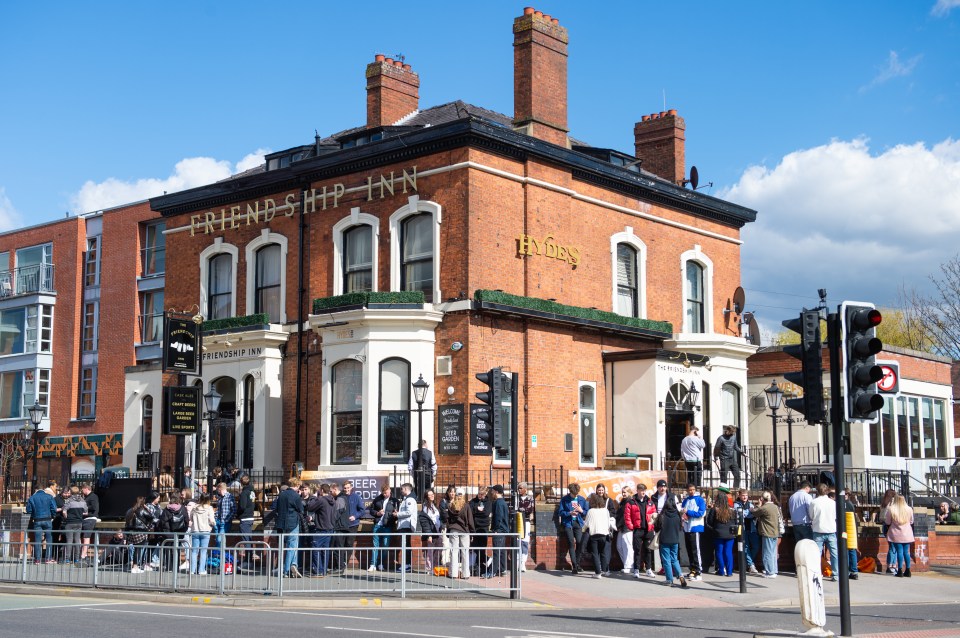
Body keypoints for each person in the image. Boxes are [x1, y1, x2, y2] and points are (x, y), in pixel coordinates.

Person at [274, 476, 305, 578]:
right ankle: (286, 570)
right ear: (296, 486)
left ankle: (293, 565)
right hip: (292, 523)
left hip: (281, 524)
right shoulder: (296, 496)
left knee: (287, 546)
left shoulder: (281, 495)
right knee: (292, 546)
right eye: (299, 486)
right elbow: (301, 510)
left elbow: (277, 508)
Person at [625, 483, 656, 578]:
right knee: (637, 550)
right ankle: (636, 570)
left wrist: (652, 525)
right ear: (637, 491)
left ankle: (648, 569)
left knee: (648, 550)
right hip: (637, 530)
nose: (643, 492)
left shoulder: (650, 502)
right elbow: (627, 516)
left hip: (648, 530)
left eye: (644, 490)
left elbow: (654, 514)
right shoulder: (631, 502)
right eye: (641, 490)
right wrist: (631, 527)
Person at [808, 483, 838, 581]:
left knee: (816, 553)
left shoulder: (814, 502)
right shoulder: (832, 502)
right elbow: (835, 516)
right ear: (827, 491)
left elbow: (811, 516)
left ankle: (817, 573)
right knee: (834, 553)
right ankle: (836, 574)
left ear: (817, 491)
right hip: (831, 529)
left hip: (818, 529)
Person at [655, 494, 686, 588]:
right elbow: (680, 528)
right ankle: (680, 575)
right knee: (674, 559)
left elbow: (656, 528)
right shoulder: (677, 516)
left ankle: (669, 579)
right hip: (675, 540)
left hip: (664, 540)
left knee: (666, 560)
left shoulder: (662, 515)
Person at [558, 483, 588, 575]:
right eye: (573, 494)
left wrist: (581, 510)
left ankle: (577, 563)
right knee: (571, 543)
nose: (575, 495)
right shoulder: (565, 499)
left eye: (576, 493)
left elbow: (586, 512)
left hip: (578, 523)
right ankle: (574, 566)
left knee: (579, 542)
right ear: (570, 491)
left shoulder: (582, 499)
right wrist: (569, 513)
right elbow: (560, 512)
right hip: (568, 523)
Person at [25, 480, 58, 564]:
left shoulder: (32, 498)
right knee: (49, 539)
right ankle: (48, 559)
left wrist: (33, 516)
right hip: (47, 520)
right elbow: (54, 508)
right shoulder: (49, 496)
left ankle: (37, 560)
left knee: (37, 540)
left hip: (37, 521)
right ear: (43, 489)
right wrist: (53, 516)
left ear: (36, 489)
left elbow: (28, 510)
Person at [884, 494, 914, 577]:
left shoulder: (891, 509)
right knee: (906, 552)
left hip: (896, 533)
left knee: (899, 551)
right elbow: (911, 521)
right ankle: (908, 570)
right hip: (907, 533)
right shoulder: (909, 509)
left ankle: (900, 570)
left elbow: (887, 522)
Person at [583, 493, 612, 579]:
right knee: (603, 553)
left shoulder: (590, 511)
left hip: (594, 535)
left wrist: (583, 530)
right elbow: (608, 523)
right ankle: (606, 571)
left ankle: (598, 573)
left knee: (595, 554)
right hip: (604, 534)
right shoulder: (605, 511)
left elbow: (586, 524)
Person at [681, 483, 706, 581]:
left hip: (695, 527)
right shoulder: (686, 500)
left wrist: (688, 512)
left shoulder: (700, 500)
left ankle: (699, 571)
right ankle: (692, 570)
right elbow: (683, 510)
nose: (691, 491)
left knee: (696, 550)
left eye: (693, 489)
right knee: (689, 550)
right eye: (689, 490)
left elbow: (701, 513)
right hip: (687, 527)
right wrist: (683, 514)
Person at [707, 491, 736, 576]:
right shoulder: (732, 510)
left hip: (718, 533)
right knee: (728, 552)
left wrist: (714, 528)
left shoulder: (714, 510)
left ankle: (721, 571)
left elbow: (709, 522)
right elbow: (735, 522)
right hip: (730, 534)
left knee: (719, 552)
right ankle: (729, 571)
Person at [446, 491, 474, 579]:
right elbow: (470, 520)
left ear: (456, 495)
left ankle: (453, 574)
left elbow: (448, 520)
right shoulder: (466, 506)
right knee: (465, 552)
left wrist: (448, 530)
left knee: (454, 551)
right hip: (464, 530)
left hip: (454, 529)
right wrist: (472, 532)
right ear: (463, 496)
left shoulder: (451, 506)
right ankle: (465, 574)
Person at [753, 491, 781, 578]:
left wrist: (758, 504)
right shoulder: (775, 507)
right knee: (773, 553)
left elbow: (755, 512)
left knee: (767, 553)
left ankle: (770, 572)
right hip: (775, 532)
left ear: (762, 498)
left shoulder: (764, 508)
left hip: (767, 532)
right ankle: (774, 570)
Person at [369, 484, 396, 572]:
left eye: (386, 493)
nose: (385, 495)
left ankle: (381, 563)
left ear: (389, 490)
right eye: (383, 493)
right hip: (377, 525)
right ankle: (372, 564)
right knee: (375, 545)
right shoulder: (377, 499)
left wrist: (395, 515)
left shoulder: (394, 501)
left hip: (387, 525)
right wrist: (377, 513)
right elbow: (371, 510)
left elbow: (397, 513)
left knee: (385, 545)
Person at [189, 493, 216, 575]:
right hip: (205, 531)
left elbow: (191, 519)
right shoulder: (209, 508)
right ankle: (201, 570)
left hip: (195, 530)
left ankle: (192, 570)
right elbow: (212, 520)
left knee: (194, 551)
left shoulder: (194, 508)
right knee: (203, 551)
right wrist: (213, 524)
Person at [487, 484, 510, 578]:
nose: (491, 492)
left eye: (492, 491)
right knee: (502, 551)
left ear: (496, 492)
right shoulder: (503, 502)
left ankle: (492, 571)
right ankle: (503, 569)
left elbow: (499, 517)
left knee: (496, 551)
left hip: (499, 530)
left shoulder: (498, 503)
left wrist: (496, 529)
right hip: (502, 530)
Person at [734, 489, 759, 574]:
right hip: (742, 529)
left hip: (752, 529)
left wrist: (749, 513)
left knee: (756, 546)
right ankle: (751, 565)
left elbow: (754, 514)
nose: (745, 497)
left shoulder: (750, 504)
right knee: (745, 547)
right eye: (743, 495)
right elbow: (740, 514)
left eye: (746, 495)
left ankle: (748, 563)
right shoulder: (736, 504)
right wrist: (749, 512)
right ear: (739, 496)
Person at [395, 483, 418, 572]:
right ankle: (406, 564)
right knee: (405, 545)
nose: (400, 491)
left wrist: (397, 514)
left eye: (401, 489)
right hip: (404, 525)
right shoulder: (407, 499)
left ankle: (407, 565)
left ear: (406, 489)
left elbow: (409, 512)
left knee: (405, 545)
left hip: (406, 525)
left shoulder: (410, 499)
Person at [61, 486, 87, 564]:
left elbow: (64, 511)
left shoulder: (69, 501)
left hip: (70, 522)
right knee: (77, 541)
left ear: (71, 492)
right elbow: (86, 512)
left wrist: (66, 518)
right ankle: (77, 559)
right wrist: (79, 514)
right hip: (79, 522)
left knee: (69, 541)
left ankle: (67, 559)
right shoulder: (83, 501)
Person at [470, 487, 492, 575]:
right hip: (475, 527)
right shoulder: (473, 501)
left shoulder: (488, 502)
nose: (480, 496)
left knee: (482, 548)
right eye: (479, 494)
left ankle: (482, 567)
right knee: (474, 548)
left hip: (484, 528)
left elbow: (486, 513)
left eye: (482, 494)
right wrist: (477, 510)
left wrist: (479, 512)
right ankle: (476, 567)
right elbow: (471, 511)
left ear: (486, 494)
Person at [419, 488, 442, 571]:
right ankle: (429, 568)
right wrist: (429, 535)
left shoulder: (434, 506)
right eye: (429, 495)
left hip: (437, 531)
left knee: (438, 550)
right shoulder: (425, 507)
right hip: (431, 532)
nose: (432, 496)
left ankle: (435, 567)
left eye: (432, 494)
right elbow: (425, 522)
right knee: (430, 551)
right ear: (426, 496)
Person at [236, 475, 256, 566]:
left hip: (245, 517)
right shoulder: (252, 491)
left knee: (246, 540)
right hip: (250, 516)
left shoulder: (244, 493)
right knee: (249, 539)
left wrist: (238, 513)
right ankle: (249, 559)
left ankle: (247, 561)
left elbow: (242, 506)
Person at [878, 489, 898, 574]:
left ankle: (891, 565)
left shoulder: (883, 503)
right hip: (891, 525)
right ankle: (891, 566)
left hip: (885, 526)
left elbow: (881, 517)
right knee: (893, 547)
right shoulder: (891, 504)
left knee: (892, 546)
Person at [517, 483, 535, 572]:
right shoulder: (516, 498)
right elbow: (513, 509)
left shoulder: (530, 498)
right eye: (518, 488)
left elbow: (530, 509)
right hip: (517, 522)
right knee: (517, 542)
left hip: (526, 521)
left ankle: (522, 563)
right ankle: (517, 562)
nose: (519, 490)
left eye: (520, 488)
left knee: (524, 542)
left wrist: (520, 509)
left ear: (525, 489)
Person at [79, 483, 99, 565]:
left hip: (90, 518)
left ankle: (83, 556)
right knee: (81, 537)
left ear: (86, 488)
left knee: (86, 537)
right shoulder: (87, 497)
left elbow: (94, 507)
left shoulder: (93, 496)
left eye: (82, 489)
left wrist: (84, 508)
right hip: (85, 518)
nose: (82, 491)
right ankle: (85, 555)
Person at [615, 486, 634, 574]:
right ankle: (626, 564)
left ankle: (629, 566)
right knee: (619, 546)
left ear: (629, 492)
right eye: (622, 492)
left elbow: (626, 516)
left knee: (627, 546)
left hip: (627, 527)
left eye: (625, 492)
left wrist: (618, 524)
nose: (623, 494)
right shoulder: (623, 501)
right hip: (621, 527)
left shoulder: (630, 502)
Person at [439, 484, 457, 567]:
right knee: (446, 545)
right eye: (450, 492)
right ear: (448, 493)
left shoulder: (458, 501)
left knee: (454, 545)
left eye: (453, 492)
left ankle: (453, 564)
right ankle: (445, 564)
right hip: (445, 526)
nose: (452, 494)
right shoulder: (443, 502)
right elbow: (444, 515)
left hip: (455, 527)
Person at [843, 492, 860, 580]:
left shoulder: (842, 504)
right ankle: (854, 571)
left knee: (846, 550)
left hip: (844, 529)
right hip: (852, 529)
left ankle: (847, 570)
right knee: (852, 550)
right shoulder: (851, 504)